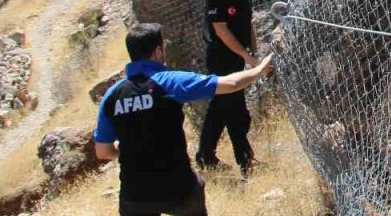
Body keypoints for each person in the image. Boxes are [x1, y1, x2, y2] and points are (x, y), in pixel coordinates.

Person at [93, 23, 273, 216]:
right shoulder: (168, 81)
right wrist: (259, 69)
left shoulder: (112, 95)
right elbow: (230, 83)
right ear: (157, 51)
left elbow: (103, 152)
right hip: (178, 187)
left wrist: (132, 147)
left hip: (135, 195)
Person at [196, 0, 260, 175]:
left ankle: (205, 156)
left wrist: (253, 51)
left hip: (238, 57)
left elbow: (248, 22)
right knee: (236, 113)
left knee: (220, 109)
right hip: (221, 59)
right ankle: (245, 162)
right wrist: (247, 56)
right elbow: (221, 30)